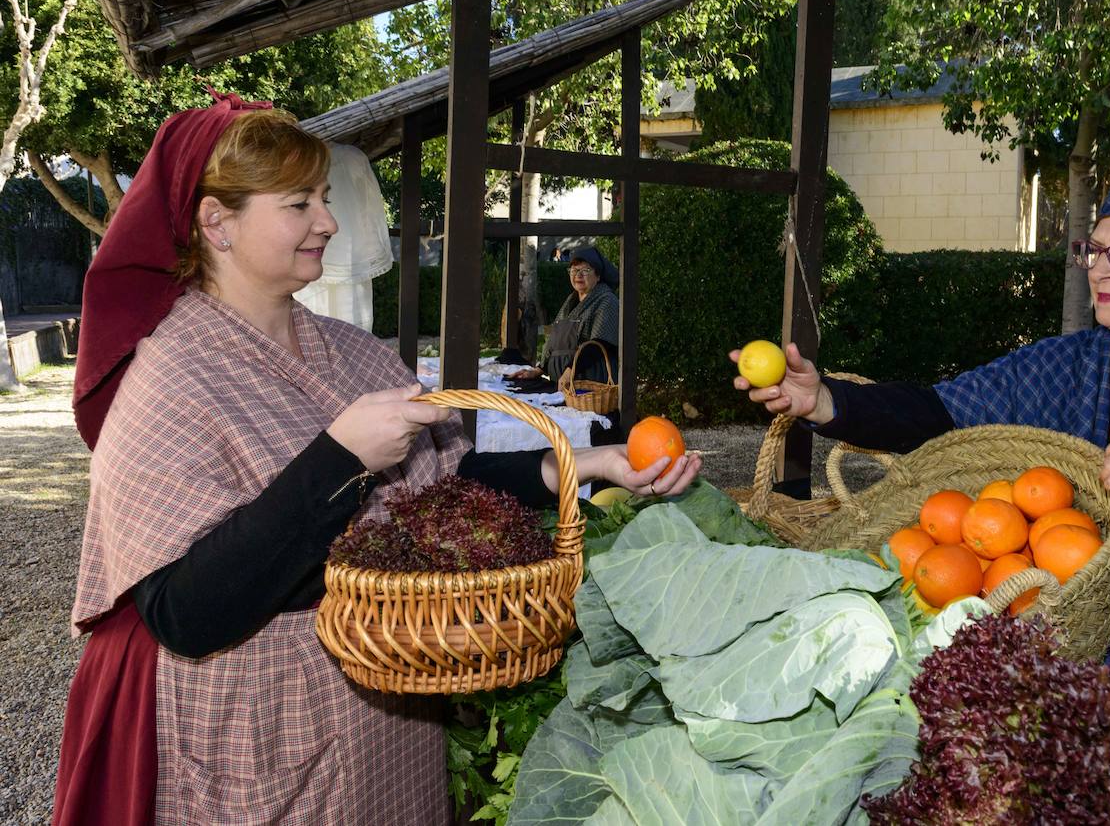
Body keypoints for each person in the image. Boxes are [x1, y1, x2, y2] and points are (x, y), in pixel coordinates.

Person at [54, 94, 699, 826]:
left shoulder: (354, 352)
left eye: (324, 198)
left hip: (392, 726)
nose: (327, 222)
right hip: (264, 737)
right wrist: (341, 458)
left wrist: (587, 463)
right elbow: (184, 611)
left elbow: (448, 486)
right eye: (298, 203)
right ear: (216, 223)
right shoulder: (170, 378)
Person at [733, 155, 1110, 712]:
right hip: (1068, 671)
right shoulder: (1062, 367)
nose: (1100, 269)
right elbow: (940, 413)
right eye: (1094, 250)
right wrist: (825, 401)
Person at [511, 247, 619, 385]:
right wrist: (538, 370)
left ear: (598, 276)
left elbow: (598, 345)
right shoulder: (571, 301)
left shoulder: (607, 301)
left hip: (590, 385)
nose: (578, 275)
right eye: (574, 270)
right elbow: (556, 342)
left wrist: (569, 372)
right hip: (563, 385)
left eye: (585, 270)